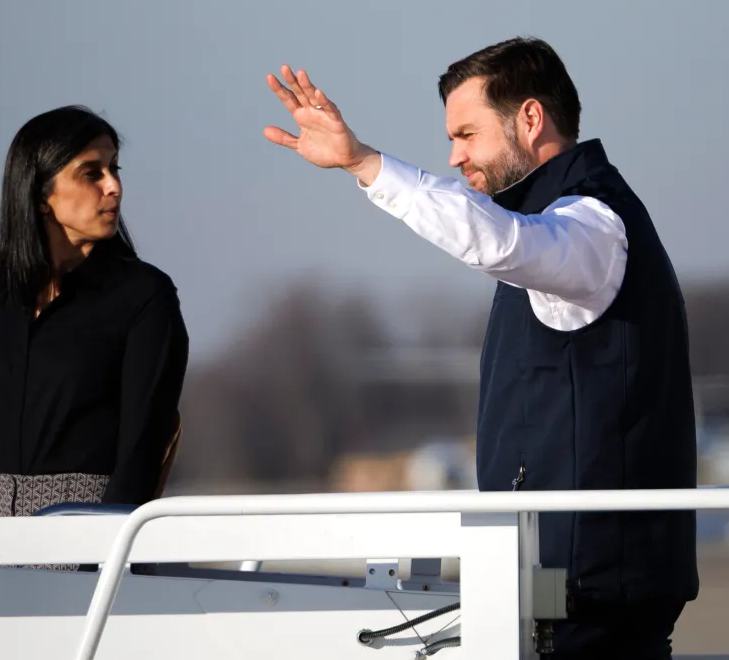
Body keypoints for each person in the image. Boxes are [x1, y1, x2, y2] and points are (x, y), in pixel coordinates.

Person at [264, 37, 697, 659]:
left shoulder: (591, 225)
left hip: (592, 588)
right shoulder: (553, 223)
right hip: (561, 580)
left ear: (529, 118)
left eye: (467, 134)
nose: (454, 154)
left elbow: (498, 243)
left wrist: (364, 164)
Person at [0, 105, 189, 606]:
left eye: (115, 170)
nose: (113, 186)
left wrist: (98, 564)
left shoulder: (145, 296)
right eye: (92, 173)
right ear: (41, 193)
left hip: (90, 545)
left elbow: (142, 444)